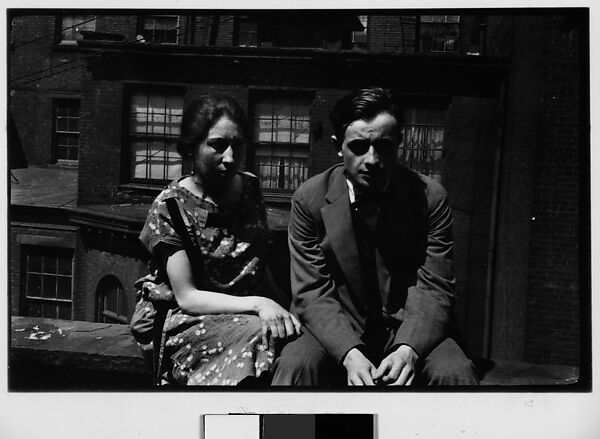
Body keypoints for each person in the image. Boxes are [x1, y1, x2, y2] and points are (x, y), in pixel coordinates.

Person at [272, 88, 479, 386]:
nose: (372, 159)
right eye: (359, 146)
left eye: (383, 146)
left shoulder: (430, 198)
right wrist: (348, 352)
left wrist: (409, 348)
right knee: (295, 366)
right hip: (337, 323)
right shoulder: (309, 199)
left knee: (454, 374)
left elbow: (436, 286)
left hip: (410, 324)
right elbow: (311, 292)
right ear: (338, 147)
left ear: (399, 144)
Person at [133, 95, 300, 386]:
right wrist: (260, 304)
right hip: (190, 317)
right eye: (217, 145)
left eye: (237, 144)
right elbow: (188, 296)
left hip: (250, 310)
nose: (230, 157)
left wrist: (287, 306)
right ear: (191, 147)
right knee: (262, 335)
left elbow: (258, 263)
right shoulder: (170, 207)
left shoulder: (249, 187)